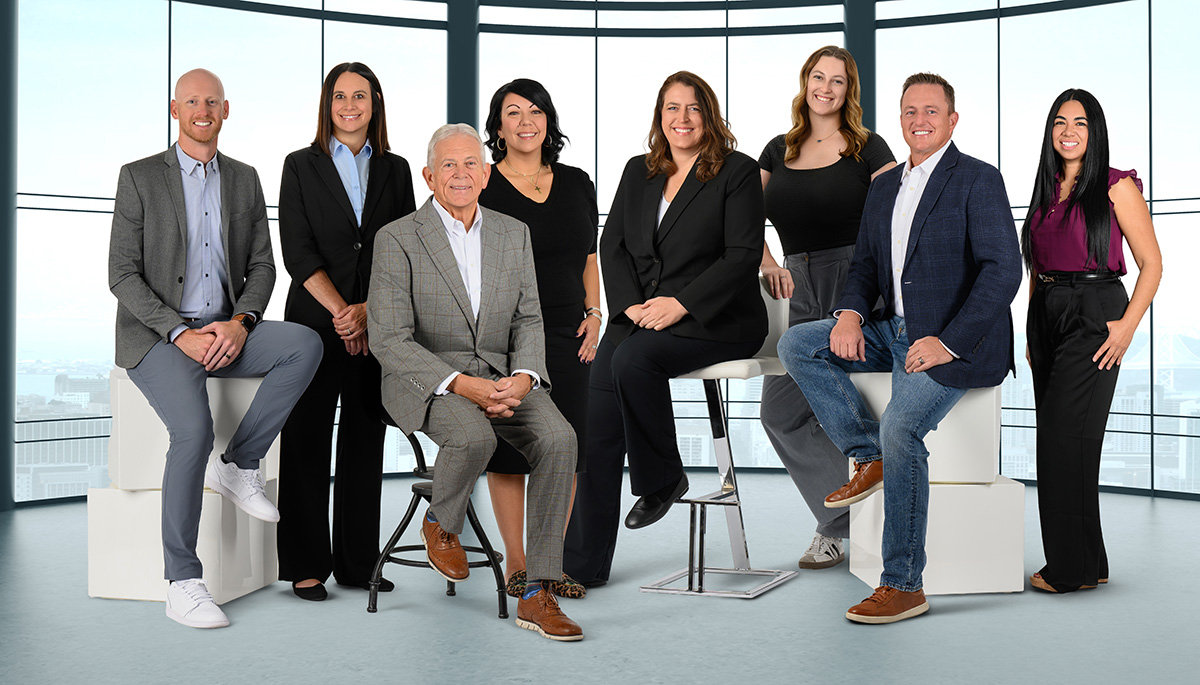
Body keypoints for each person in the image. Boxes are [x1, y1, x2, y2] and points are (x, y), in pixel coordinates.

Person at [776, 73, 1022, 624]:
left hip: (955, 341)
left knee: (902, 427)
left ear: (952, 120)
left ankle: (903, 584)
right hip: (892, 331)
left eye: (931, 112)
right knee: (798, 343)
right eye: (910, 111)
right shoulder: (884, 185)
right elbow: (864, 263)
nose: (920, 121)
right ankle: (868, 457)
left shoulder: (978, 180)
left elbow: (1003, 271)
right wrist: (850, 314)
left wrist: (947, 341)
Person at [108, 69, 322, 628]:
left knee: (303, 343)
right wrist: (180, 332)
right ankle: (182, 580)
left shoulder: (245, 179)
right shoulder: (137, 178)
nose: (202, 110)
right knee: (194, 431)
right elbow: (122, 276)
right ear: (175, 110)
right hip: (159, 337)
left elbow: (262, 266)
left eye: (212, 102)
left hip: (226, 330)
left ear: (226, 111)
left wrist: (241, 323)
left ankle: (241, 463)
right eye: (192, 102)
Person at [367, 124, 583, 641]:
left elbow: (529, 319)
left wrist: (525, 377)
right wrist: (460, 383)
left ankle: (537, 591)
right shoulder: (396, 238)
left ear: (486, 174)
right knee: (474, 436)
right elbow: (389, 340)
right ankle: (443, 523)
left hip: (501, 377)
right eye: (448, 165)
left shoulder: (513, 233)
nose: (460, 174)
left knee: (560, 439)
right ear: (428, 176)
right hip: (425, 379)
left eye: (470, 164)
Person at [564, 71, 767, 587]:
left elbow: (742, 256)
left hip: (719, 318)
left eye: (693, 108)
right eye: (672, 108)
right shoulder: (639, 171)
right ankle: (580, 566)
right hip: (641, 317)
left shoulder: (736, 171)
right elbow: (610, 246)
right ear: (659, 116)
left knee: (634, 361)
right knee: (598, 419)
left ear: (710, 115)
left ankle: (662, 479)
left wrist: (681, 304)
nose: (682, 118)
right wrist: (629, 306)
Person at [275, 62, 416, 601]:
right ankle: (307, 565)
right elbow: (297, 250)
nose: (350, 106)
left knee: (364, 440)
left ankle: (358, 563)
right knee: (306, 439)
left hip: (375, 320)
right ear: (327, 105)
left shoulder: (397, 169)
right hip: (314, 322)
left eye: (360, 96)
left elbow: (401, 249)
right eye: (340, 96)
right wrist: (341, 311)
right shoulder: (299, 166)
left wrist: (365, 311)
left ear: (375, 103)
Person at [757, 45, 896, 571]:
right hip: (796, 283)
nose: (827, 88)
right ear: (805, 81)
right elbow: (742, 218)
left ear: (848, 90)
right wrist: (768, 261)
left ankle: (872, 506)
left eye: (838, 80)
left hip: (855, 279)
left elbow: (892, 217)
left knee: (860, 393)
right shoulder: (778, 149)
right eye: (819, 77)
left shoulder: (868, 146)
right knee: (779, 412)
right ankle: (841, 523)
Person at [1022, 89, 1161, 594]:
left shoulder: (1115, 185)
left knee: (1065, 444)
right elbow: (1037, 267)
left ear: (1094, 130)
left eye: (1080, 122)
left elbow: (1154, 264)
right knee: (1065, 444)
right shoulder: (1046, 189)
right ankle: (1091, 562)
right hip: (1047, 314)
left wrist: (1126, 326)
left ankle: (1068, 569)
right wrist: (1031, 330)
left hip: (1095, 312)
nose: (1069, 131)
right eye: (1060, 121)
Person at [479, 79, 600, 600]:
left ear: (548, 120)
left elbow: (589, 258)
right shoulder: (481, 184)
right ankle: (517, 563)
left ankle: (548, 565)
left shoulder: (576, 181)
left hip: (571, 333)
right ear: (498, 126)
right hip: (505, 337)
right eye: (513, 112)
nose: (526, 120)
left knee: (565, 449)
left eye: (536, 110)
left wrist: (596, 311)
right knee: (509, 451)